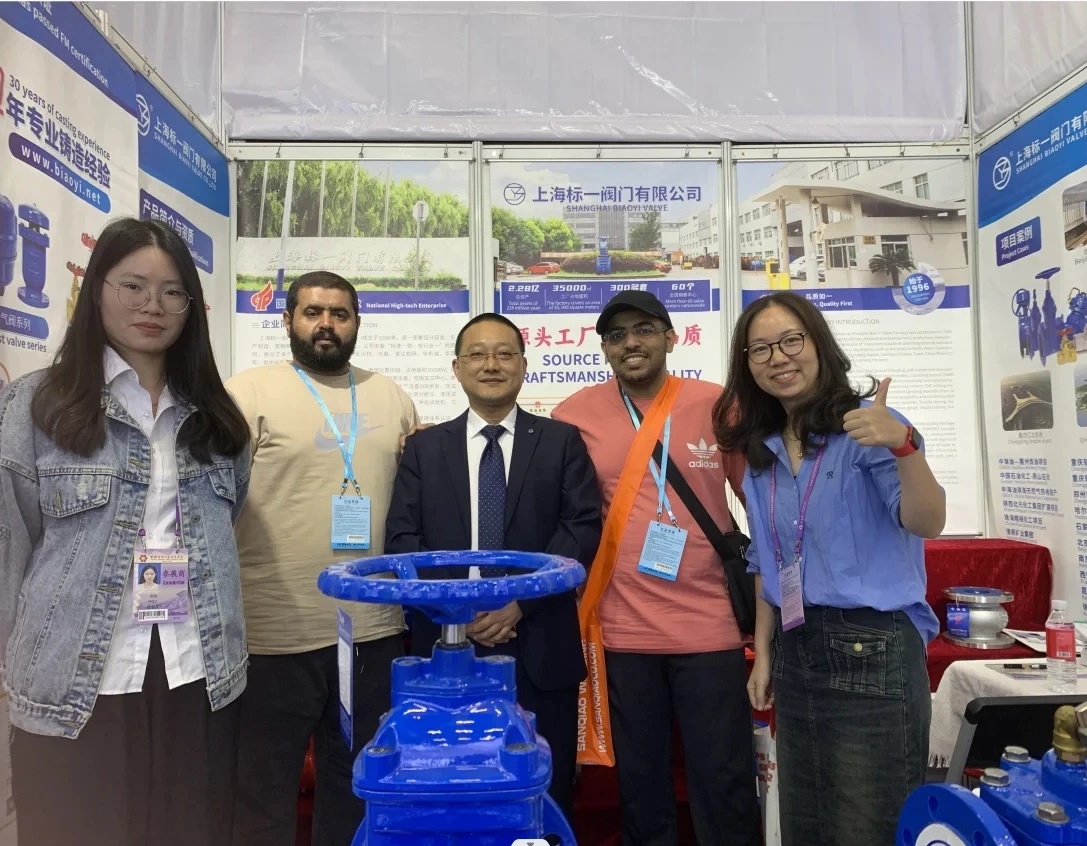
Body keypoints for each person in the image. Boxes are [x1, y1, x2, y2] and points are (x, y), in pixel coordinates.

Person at [0, 217, 252, 846]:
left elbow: (222, 523)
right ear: (97, 290)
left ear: (191, 308)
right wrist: (43, 642)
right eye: (133, 286)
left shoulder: (216, 419)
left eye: (172, 292)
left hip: (195, 673)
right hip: (77, 684)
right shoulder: (34, 405)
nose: (153, 306)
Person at [712, 291, 944, 846]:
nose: (778, 358)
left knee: (866, 828)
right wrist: (763, 655)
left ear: (819, 344)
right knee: (805, 825)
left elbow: (928, 521)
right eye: (760, 349)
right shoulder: (763, 452)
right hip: (796, 649)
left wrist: (905, 447)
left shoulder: (868, 427)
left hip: (873, 648)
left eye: (791, 340)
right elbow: (768, 562)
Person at [551, 291, 758, 846]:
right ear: (604, 348)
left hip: (711, 627)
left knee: (724, 779)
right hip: (623, 630)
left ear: (671, 338)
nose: (631, 343)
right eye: (616, 335)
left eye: (643, 330)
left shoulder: (719, 405)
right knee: (641, 786)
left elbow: (760, 504)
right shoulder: (573, 415)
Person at [385, 312, 601, 824]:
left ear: (524, 366)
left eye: (505, 354)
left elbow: (580, 529)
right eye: (478, 354)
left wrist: (519, 603)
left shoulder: (561, 441)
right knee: (452, 790)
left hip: (539, 641)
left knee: (541, 791)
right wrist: (459, 612)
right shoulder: (424, 449)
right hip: (446, 647)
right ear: (457, 368)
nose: (491, 365)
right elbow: (403, 542)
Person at [227, 270, 419, 846]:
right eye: (313, 313)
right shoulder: (247, 394)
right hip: (272, 634)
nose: (326, 324)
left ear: (357, 323)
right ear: (288, 321)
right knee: (261, 793)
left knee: (355, 788)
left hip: (372, 631)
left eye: (340, 313)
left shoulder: (391, 396)